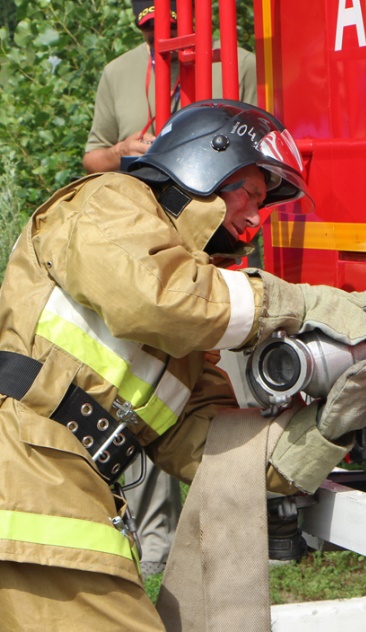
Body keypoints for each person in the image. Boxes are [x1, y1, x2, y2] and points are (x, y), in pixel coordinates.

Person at [0, 99, 366, 630]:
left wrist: (325, 429)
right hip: (27, 485)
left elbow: (212, 448)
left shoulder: (184, 346)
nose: (256, 218)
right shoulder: (109, 201)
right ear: (203, 163)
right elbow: (154, 297)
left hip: (55, 492)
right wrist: (298, 304)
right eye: (251, 193)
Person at [82, 0, 258, 575]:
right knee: (154, 387)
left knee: (221, 390)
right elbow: (93, 157)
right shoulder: (120, 72)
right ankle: (156, 538)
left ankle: (245, 530)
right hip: (152, 255)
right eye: (154, 23)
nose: (166, 33)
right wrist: (123, 154)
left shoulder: (246, 65)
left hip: (231, 252)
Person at [83, 0, 256, 173]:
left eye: (170, 23)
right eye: (148, 25)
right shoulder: (117, 72)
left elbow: (263, 150)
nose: (159, 33)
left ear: (194, 10)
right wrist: (120, 152)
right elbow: (92, 160)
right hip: (139, 195)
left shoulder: (240, 64)